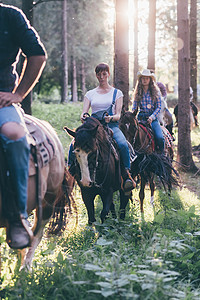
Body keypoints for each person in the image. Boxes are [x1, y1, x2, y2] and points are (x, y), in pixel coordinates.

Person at [0, 3, 47, 249]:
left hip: (2, 100)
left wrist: (18, 94)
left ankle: (18, 217)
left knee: (16, 136)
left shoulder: (10, 16)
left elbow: (37, 54)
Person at [74, 62, 136, 194]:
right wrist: (84, 115)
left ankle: (126, 175)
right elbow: (84, 112)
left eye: (104, 74)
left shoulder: (117, 93)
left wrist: (111, 118)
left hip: (111, 125)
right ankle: (72, 171)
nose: (101, 76)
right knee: (74, 145)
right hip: (93, 127)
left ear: (108, 74)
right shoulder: (90, 94)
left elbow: (119, 115)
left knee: (123, 145)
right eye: (99, 74)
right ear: (96, 76)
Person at [132, 69, 165, 153]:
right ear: (140, 80)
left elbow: (158, 107)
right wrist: (132, 116)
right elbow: (134, 107)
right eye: (143, 78)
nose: (145, 80)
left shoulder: (156, 92)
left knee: (160, 137)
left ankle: (162, 155)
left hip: (152, 119)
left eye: (147, 78)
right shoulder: (137, 92)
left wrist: (152, 117)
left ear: (150, 80)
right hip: (140, 118)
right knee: (132, 135)